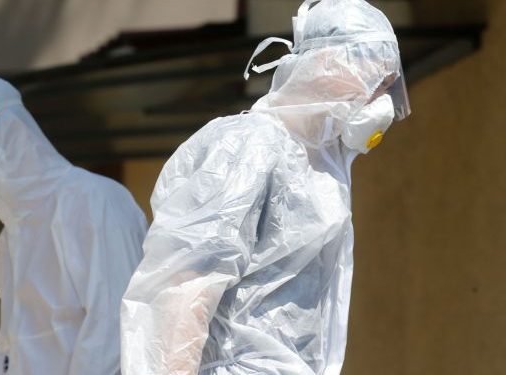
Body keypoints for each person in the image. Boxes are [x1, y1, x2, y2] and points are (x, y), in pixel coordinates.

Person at [120, 0, 411, 374]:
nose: (379, 99)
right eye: (375, 79)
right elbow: (184, 283)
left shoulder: (324, 167)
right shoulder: (248, 145)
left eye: (387, 85)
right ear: (326, 62)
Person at [0, 72, 147, 375]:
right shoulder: (13, 234)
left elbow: (115, 330)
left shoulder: (94, 202)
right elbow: (13, 346)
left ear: (12, 139)